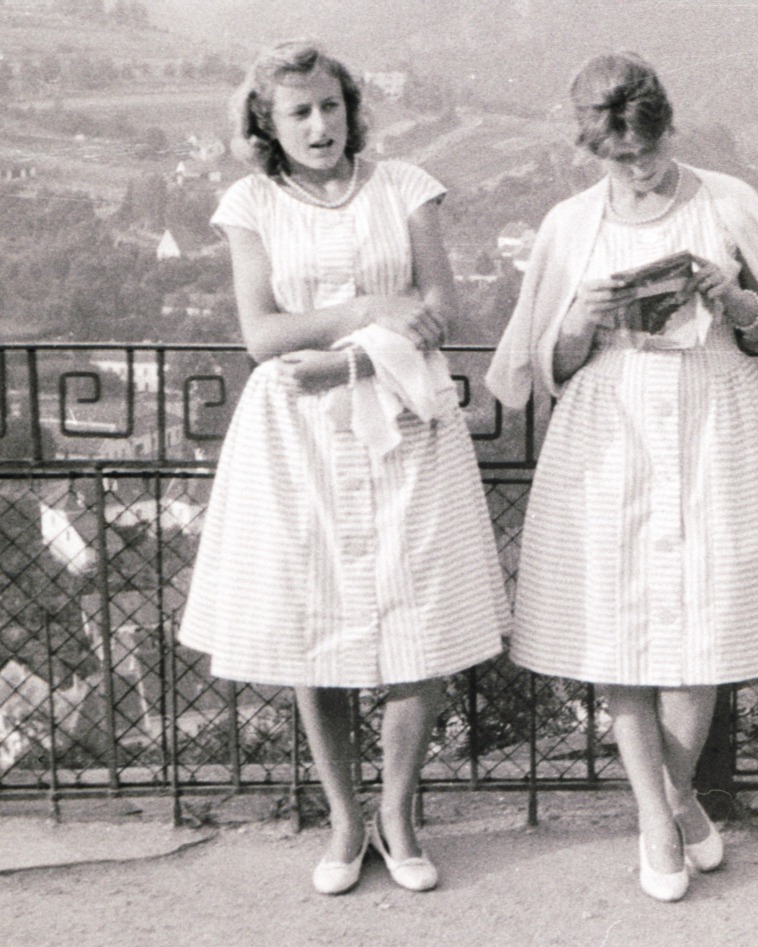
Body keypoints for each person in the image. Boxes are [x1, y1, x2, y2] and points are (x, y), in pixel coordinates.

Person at [487, 52, 758, 902]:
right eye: (618, 157)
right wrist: (580, 318)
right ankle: (658, 814)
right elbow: (544, 363)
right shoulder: (568, 224)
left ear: (668, 129)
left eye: (646, 150)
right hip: (610, 429)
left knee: (702, 623)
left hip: (714, 420)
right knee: (616, 620)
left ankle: (674, 798)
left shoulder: (729, 201)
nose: (636, 170)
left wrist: (732, 296)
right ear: (591, 148)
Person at [179, 41, 509, 896]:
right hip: (297, 437)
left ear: (350, 109)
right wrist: (367, 308)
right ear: (267, 123)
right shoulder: (250, 202)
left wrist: (351, 360)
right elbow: (262, 335)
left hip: (402, 420)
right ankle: (344, 818)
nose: (319, 125)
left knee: (418, 617)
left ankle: (398, 813)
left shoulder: (405, 186)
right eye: (299, 112)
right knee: (312, 623)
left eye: (330, 106)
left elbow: (441, 307)